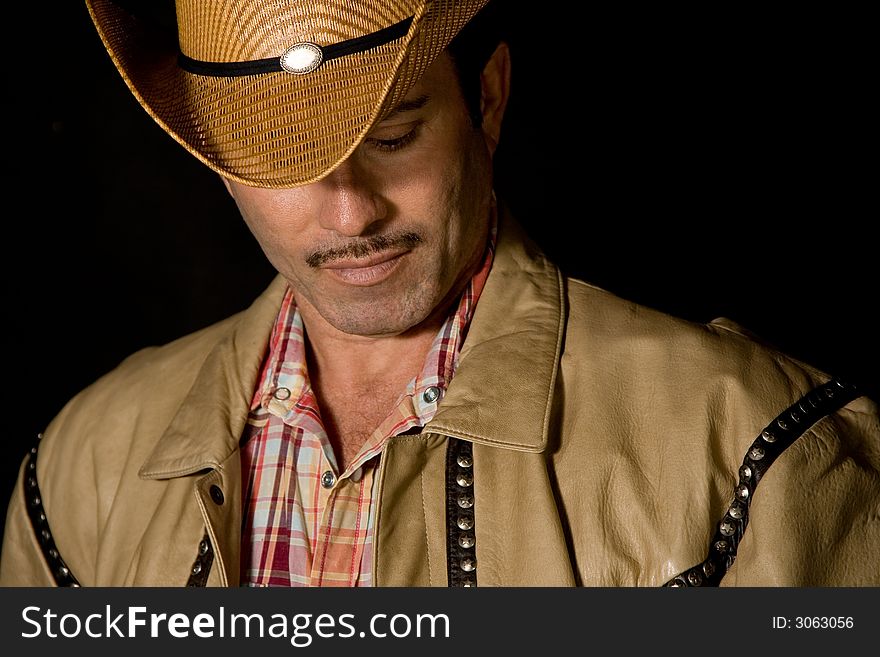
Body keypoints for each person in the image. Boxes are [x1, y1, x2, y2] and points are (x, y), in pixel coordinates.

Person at [1, 0, 878, 588]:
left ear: (488, 101)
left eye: (394, 135)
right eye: (283, 164)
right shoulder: (81, 471)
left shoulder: (756, 454)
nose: (348, 211)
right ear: (218, 169)